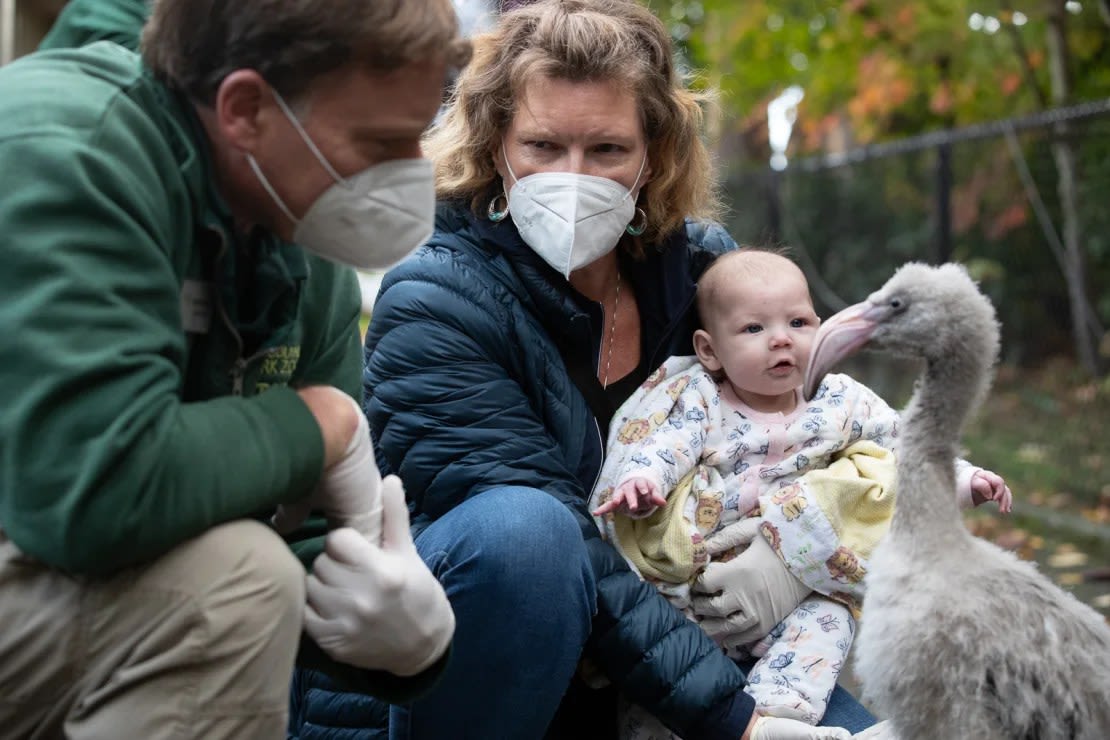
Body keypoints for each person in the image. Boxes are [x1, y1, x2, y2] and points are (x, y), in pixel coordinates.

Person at [292, 2, 877, 739]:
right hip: (470, 671)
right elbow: (559, 550)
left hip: (679, 649)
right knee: (526, 532)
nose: (573, 179)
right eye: (542, 145)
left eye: (606, 150)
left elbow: (822, 436)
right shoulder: (436, 296)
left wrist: (791, 554)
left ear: (653, 153)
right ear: (494, 142)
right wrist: (739, 722)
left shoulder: (704, 274)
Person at [0, 1, 471, 737]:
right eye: (381, 142)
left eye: (418, 137)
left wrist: (403, 635)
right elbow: (96, 486)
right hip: (41, 529)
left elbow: (293, 516)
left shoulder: (300, 241)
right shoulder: (72, 148)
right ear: (246, 109)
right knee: (237, 586)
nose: (412, 175)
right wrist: (318, 422)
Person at [590, 247, 1013, 737]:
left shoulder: (838, 398)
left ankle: (785, 719)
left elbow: (903, 444)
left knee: (831, 617)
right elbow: (662, 443)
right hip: (701, 590)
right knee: (661, 694)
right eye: (754, 329)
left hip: (791, 584)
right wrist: (641, 481)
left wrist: (962, 479)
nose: (780, 341)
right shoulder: (698, 398)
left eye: (798, 323)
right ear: (709, 350)